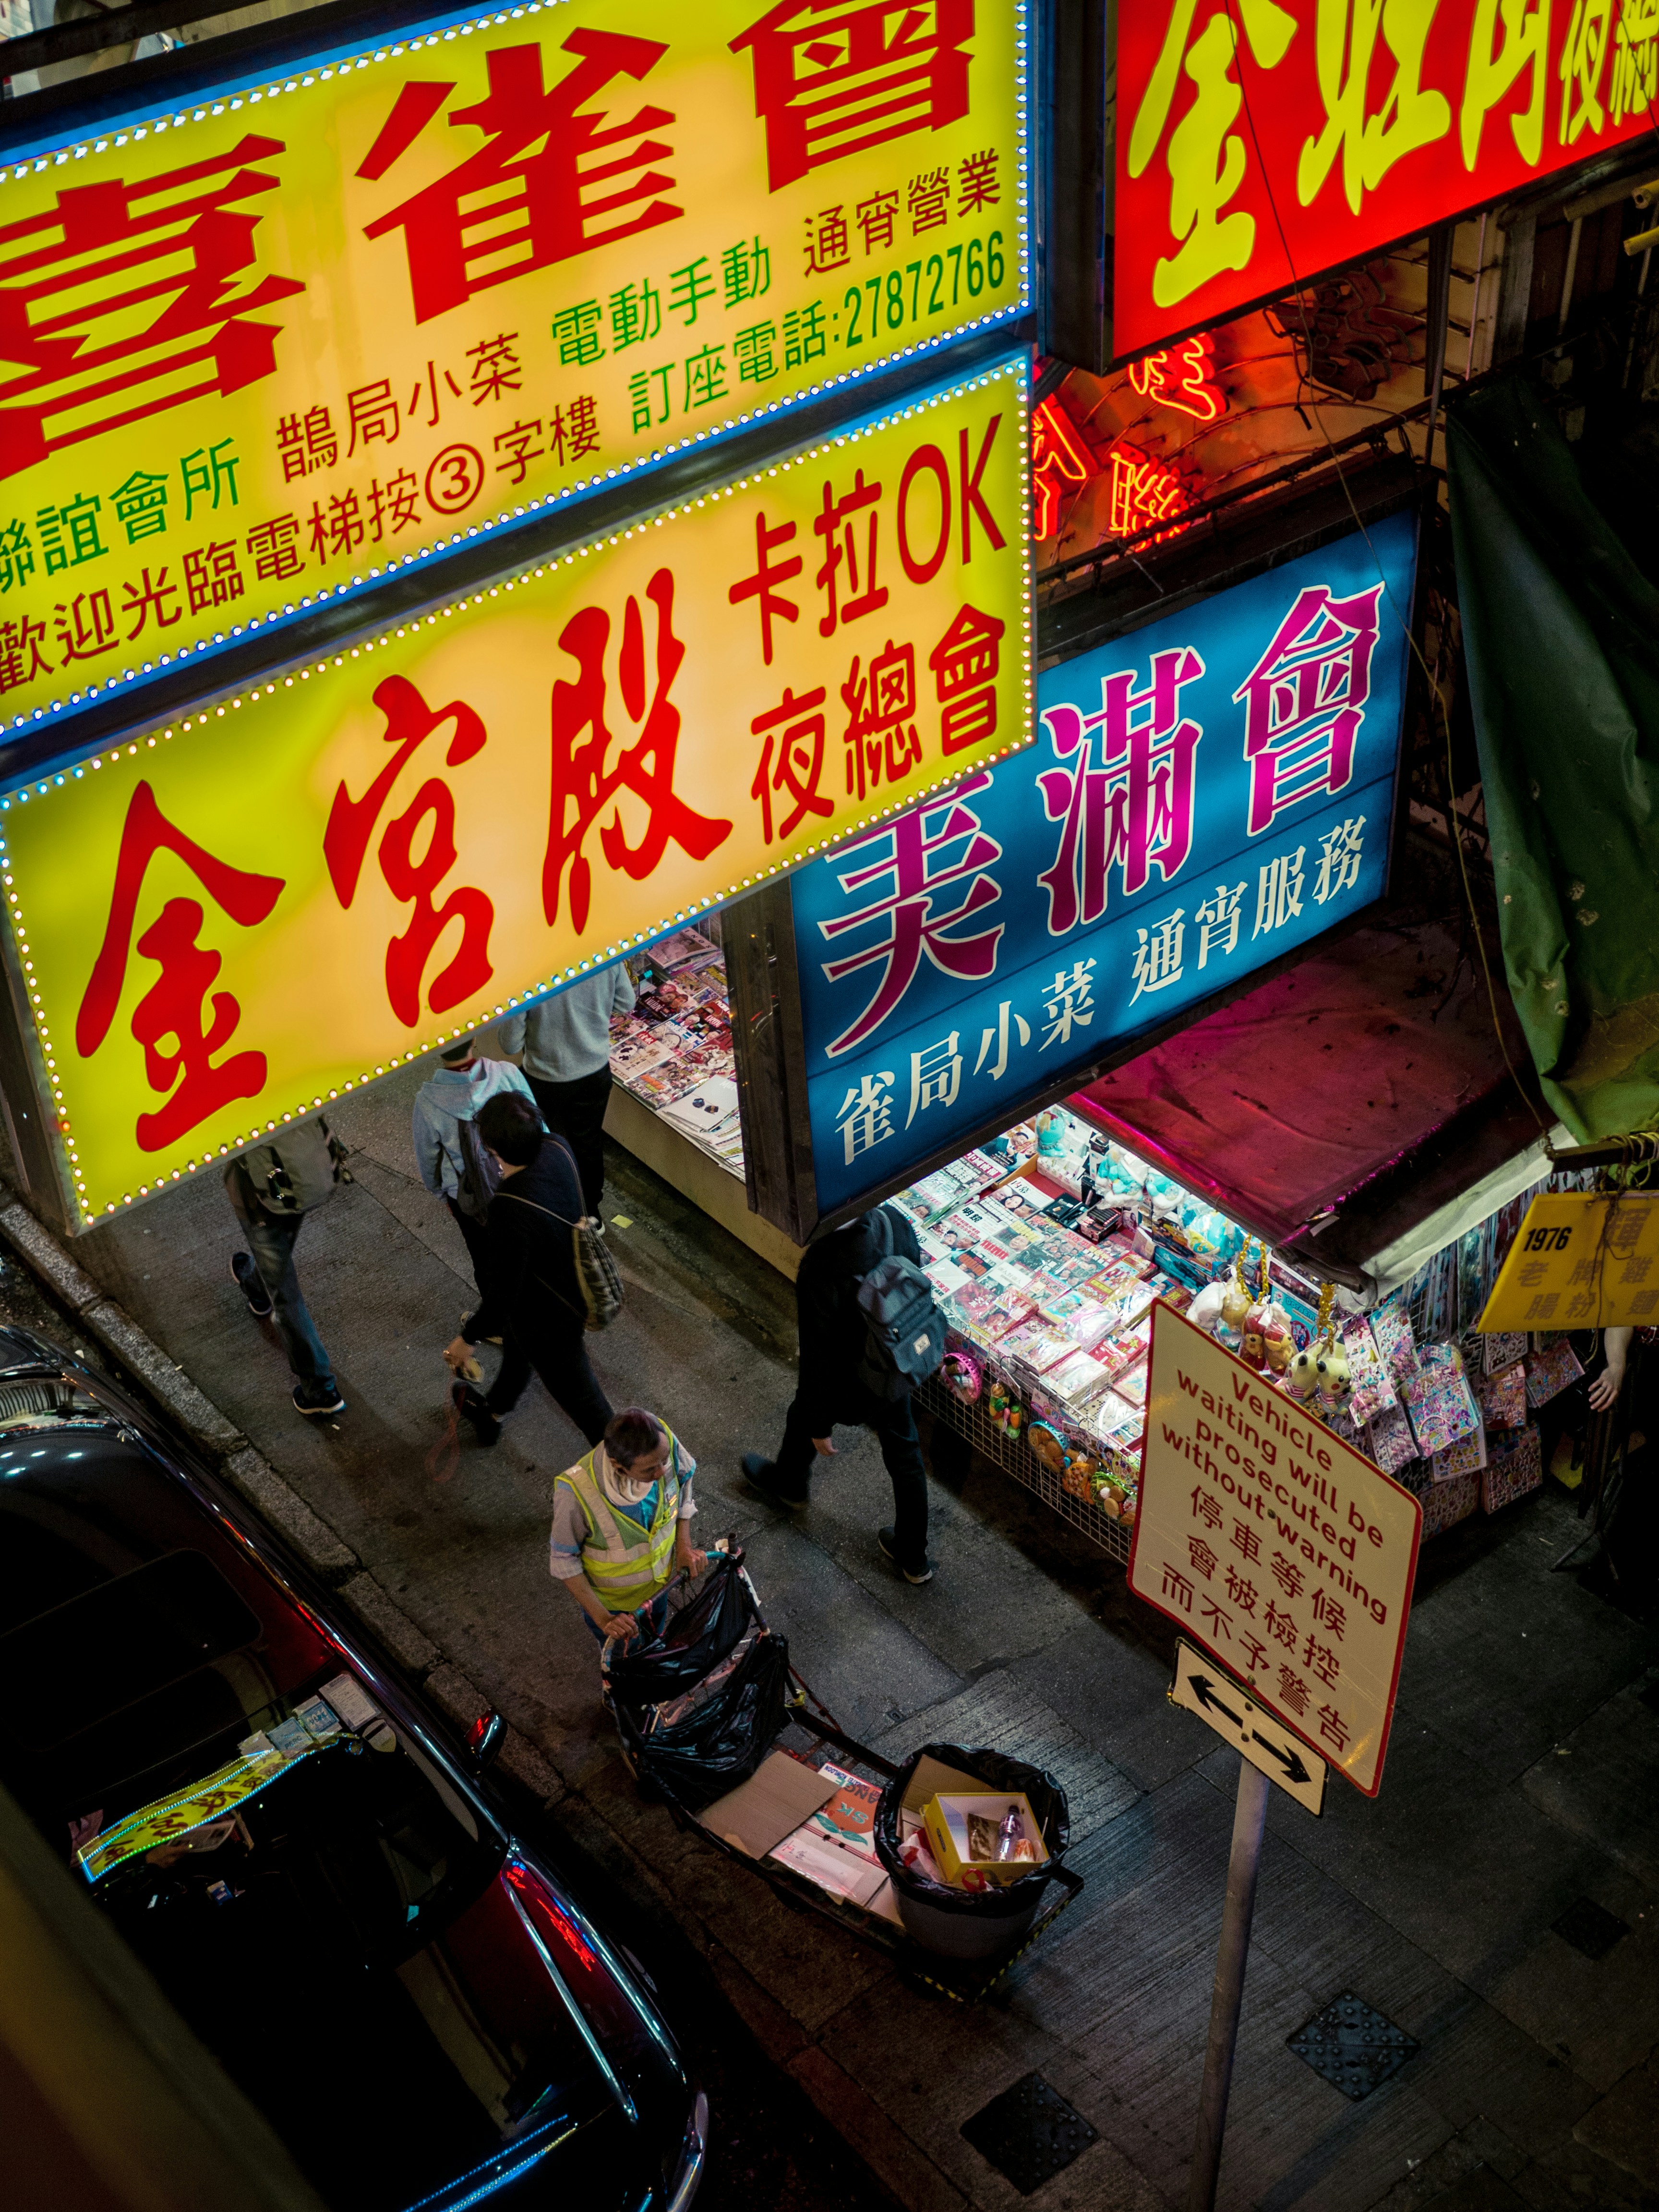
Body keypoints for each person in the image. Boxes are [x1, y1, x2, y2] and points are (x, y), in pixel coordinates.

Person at [742, 1205, 936, 1584]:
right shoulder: (893, 1222)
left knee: (803, 1414)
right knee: (905, 1452)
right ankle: (914, 1556)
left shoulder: (820, 1269)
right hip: (895, 1363)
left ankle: (790, 1485)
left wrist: (820, 1423)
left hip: (850, 1379)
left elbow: (816, 1359)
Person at [444, 1092, 613, 1448]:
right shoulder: (558, 1147)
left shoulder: (510, 1207)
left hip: (550, 1317)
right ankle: (493, 1413)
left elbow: (504, 1291)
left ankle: (632, 1471)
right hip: (569, 1286)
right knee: (520, 1351)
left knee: (589, 1407)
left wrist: (468, 1338)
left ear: (494, 1150)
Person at [548, 1406, 706, 1647]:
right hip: (614, 1607)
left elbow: (683, 1484)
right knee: (626, 1668)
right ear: (619, 1467)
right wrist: (604, 1619)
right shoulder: (575, 1494)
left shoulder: (662, 1442)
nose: (662, 1471)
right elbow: (564, 1560)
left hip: (658, 1590)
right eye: (650, 1470)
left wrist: (684, 1547)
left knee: (655, 1646)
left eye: (663, 1462)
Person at [226, 1123, 346, 1420]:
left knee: (286, 1295)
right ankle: (255, 1285)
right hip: (301, 1176)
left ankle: (320, 1391)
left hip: (261, 1198)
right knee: (278, 1252)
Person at [497, 965, 635, 1215]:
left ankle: (547, 1208)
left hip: (544, 1078)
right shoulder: (604, 955)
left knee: (539, 1145)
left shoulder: (526, 973)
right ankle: (591, 1213)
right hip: (595, 1072)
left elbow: (509, 1044)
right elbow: (626, 1002)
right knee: (588, 1143)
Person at [411, 1034, 536, 1293]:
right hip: (519, 1183)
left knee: (485, 1259)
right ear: (475, 1038)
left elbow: (427, 1157)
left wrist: (441, 1193)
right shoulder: (506, 1074)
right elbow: (538, 1126)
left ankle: (495, 1325)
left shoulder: (427, 1102)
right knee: (526, 1250)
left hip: (468, 1196)